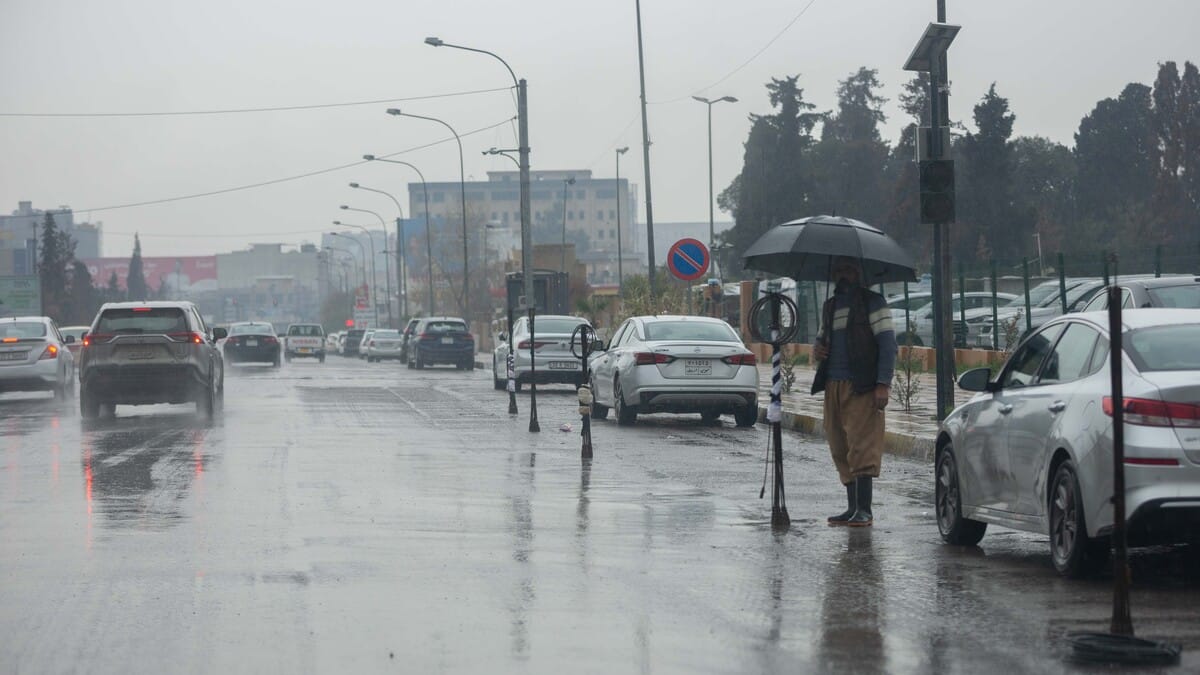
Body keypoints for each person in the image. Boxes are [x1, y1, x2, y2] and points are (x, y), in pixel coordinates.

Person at [811, 256, 897, 527]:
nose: (843, 275)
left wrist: (882, 384)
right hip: (833, 385)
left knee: (862, 446)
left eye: (848, 270)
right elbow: (820, 340)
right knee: (840, 446)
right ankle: (851, 508)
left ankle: (864, 510)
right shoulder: (829, 306)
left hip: (862, 385)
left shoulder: (873, 303)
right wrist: (818, 350)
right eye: (839, 270)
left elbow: (888, 345)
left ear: (858, 273)